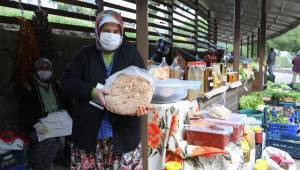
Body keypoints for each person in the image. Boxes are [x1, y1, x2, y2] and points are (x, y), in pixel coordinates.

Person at [60, 10, 149, 170]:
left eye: (116, 31)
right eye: (106, 31)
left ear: (122, 33)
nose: (111, 35)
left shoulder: (130, 54)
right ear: (97, 31)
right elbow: (67, 82)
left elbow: (144, 84)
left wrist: (138, 106)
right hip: (89, 138)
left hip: (123, 137)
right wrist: (92, 91)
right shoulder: (84, 55)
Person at [19, 58, 63, 170]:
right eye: (42, 68)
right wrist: (36, 124)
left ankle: (49, 162)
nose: (45, 70)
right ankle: (36, 165)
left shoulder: (56, 86)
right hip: (38, 126)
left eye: (47, 68)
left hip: (58, 123)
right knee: (51, 140)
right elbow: (25, 109)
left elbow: (66, 105)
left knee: (68, 137)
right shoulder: (29, 88)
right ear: (36, 71)